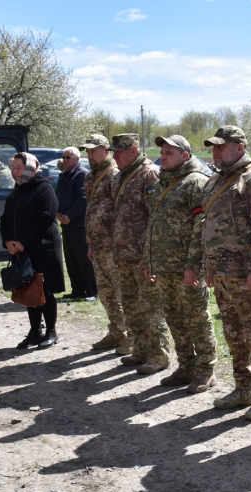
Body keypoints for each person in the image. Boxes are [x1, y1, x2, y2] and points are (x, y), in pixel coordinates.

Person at [202, 126, 251, 420]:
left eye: (221, 146)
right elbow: (208, 227)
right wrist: (210, 267)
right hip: (222, 277)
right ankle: (243, 388)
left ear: (239, 146)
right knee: (234, 336)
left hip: (247, 277)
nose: (216, 151)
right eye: (213, 147)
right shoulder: (215, 181)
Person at [142, 134, 217, 394]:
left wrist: (193, 265)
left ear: (185, 156)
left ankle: (206, 369)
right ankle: (186, 365)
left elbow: (201, 226)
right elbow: (153, 225)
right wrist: (148, 259)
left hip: (186, 268)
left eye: (169, 152)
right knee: (174, 318)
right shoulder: (163, 182)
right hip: (164, 267)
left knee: (196, 319)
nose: (163, 156)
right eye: (161, 152)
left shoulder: (195, 182)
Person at [109, 133, 172, 375]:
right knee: (131, 307)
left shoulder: (148, 174)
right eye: (113, 151)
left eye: (119, 151)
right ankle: (141, 349)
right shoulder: (121, 176)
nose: (115, 155)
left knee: (151, 309)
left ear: (133, 150)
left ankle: (159, 355)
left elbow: (155, 217)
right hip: (124, 256)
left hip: (143, 258)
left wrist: (149, 255)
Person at [0, 152, 65, 349]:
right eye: (14, 168)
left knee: (45, 290)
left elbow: (46, 217)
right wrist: (8, 241)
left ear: (31, 167)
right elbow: (4, 219)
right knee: (29, 288)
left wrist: (22, 241)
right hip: (23, 249)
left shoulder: (43, 188)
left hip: (43, 248)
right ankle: (35, 331)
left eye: (19, 168)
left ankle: (51, 331)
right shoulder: (17, 190)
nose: (16, 172)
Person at [80, 134, 131, 353]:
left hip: (114, 245)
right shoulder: (91, 176)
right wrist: (90, 242)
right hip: (98, 243)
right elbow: (91, 209)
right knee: (106, 292)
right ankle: (116, 331)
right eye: (87, 152)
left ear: (106, 151)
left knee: (122, 291)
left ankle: (131, 334)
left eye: (93, 151)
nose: (89, 155)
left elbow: (122, 211)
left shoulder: (114, 175)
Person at [56, 147, 96, 301]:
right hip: (66, 224)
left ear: (77, 159)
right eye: (64, 157)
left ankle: (91, 291)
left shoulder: (82, 174)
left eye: (69, 157)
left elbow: (83, 199)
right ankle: (77, 289)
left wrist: (69, 216)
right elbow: (59, 195)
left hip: (79, 224)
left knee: (84, 259)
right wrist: (59, 213)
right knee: (71, 259)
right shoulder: (64, 175)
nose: (65, 160)